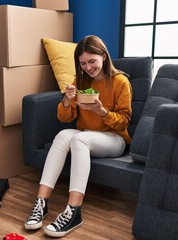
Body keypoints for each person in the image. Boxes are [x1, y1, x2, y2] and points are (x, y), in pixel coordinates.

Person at [24, 35, 132, 238]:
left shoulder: (120, 82)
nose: (88, 67)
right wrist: (66, 100)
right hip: (87, 135)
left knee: (78, 138)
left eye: (92, 61)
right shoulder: (81, 81)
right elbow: (64, 118)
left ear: (104, 57)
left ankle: (73, 211)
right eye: (83, 63)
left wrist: (102, 111)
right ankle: (41, 203)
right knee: (64, 134)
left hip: (114, 139)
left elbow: (124, 121)